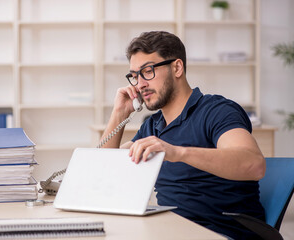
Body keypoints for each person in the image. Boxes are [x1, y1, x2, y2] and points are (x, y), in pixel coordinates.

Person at [100, 31, 266, 240]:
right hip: (171, 230)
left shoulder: (217, 111)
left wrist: (177, 152)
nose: (139, 84)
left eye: (148, 71)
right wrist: (119, 113)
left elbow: (254, 164)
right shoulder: (152, 126)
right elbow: (103, 171)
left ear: (177, 67)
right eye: (134, 75)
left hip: (221, 233)